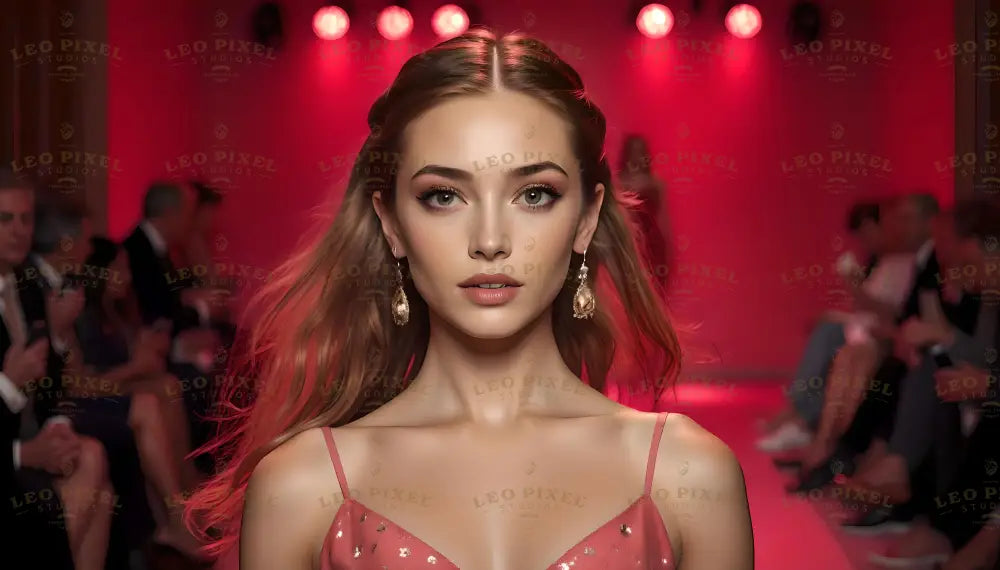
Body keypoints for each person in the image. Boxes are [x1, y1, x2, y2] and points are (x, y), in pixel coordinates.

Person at [186, 29, 754, 570]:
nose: (489, 241)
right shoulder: (301, 486)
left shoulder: (688, 475)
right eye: (443, 196)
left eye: (534, 194)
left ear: (585, 219)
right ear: (392, 224)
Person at [0, 170, 112, 570]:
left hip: (26, 434)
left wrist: (58, 423)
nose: (18, 231)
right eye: (5, 219)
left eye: (25, 219)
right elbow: (14, 387)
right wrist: (10, 387)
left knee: (92, 456)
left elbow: (48, 380)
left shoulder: (26, 287)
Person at [757, 200, 883, 452]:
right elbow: (867, 310)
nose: (865, 240)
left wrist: (853, 292)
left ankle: (801, 419)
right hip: (866, 329)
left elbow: (887, 315)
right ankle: (798, 415)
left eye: (868, 231)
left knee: (832, 338)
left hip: (880, 336)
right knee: (827, 330)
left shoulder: (903, 263)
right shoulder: (878, 261)